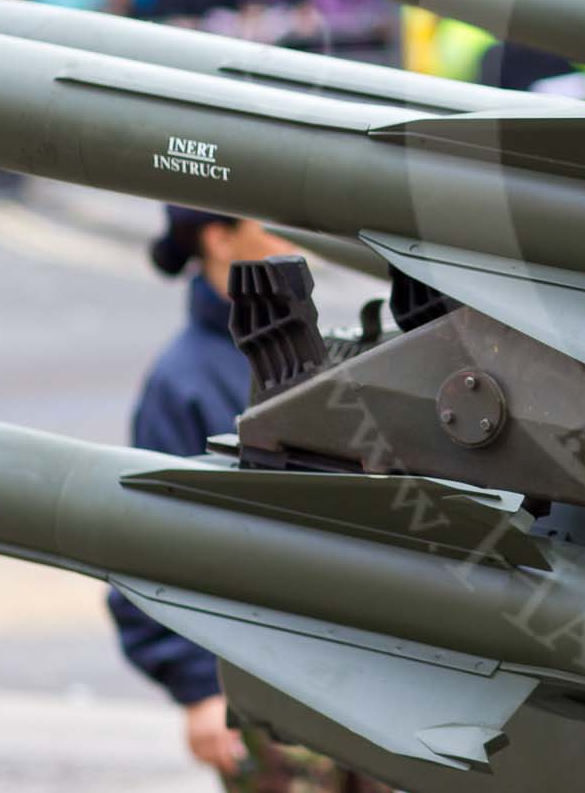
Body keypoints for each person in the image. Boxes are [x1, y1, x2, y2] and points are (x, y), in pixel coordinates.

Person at [108, 206, 391, 793]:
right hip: (262, 700)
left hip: (363, 683)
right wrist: (198, 692)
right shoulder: (182, 379)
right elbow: (142, 542)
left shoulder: (309, 352)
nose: (297, 239)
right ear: (218, 238)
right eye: (271, 223)